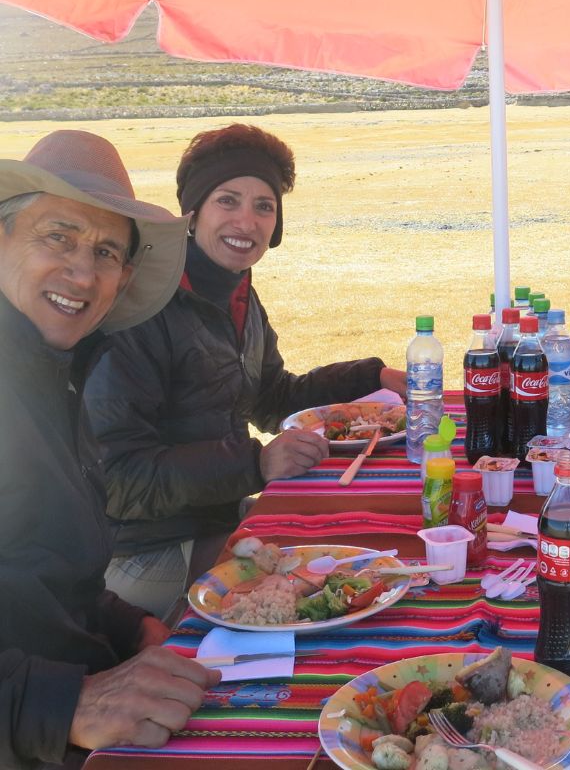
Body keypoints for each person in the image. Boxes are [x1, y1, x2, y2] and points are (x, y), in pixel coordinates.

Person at [85, 123, 405, 620]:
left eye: (264, 206)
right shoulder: (143, 309)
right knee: (317, 599)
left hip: (214, 520)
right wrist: (255, 465)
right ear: (192, 213)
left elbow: (272, 399)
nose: (247, 221)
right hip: (142, 553)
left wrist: (373, 377)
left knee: (354, 562)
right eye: (228, 200)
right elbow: (120, 478)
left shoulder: (235, 292)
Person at [0, 130, 217, 767]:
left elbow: (45, 570)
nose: (82, 271)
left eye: (104, 252)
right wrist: (66, 705)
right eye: (57, 236)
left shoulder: (53, 376)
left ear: (123, 279)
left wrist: (128, 625)